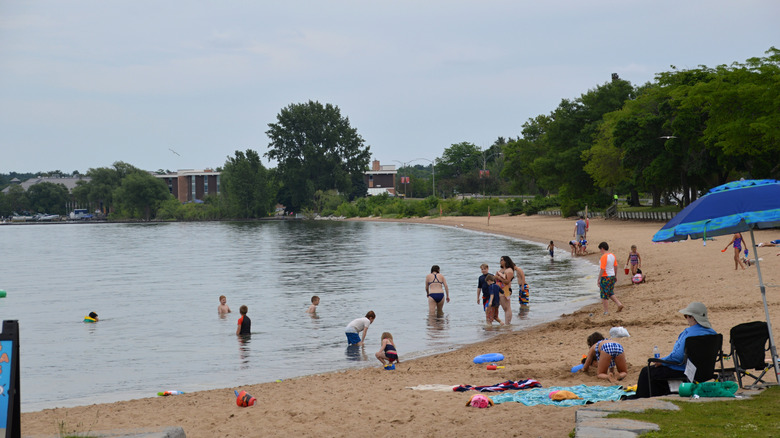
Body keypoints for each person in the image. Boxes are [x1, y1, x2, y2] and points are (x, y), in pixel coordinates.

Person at [631, 302, 717, 398]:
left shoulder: (688, 334)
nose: (686, 319)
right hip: (705, 371)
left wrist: (663, 362)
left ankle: (641, 398)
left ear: (693, 317)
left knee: (646, 371)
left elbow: (677, 357)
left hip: (685, 370)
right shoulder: (714, 334)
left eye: (686, 316)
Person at [598, 242, 623, 315]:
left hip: (605, 277)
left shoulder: (604, 257)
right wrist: (615, 276)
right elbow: (615, 266)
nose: (600, 251)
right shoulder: (612, 255)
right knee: (610, 292)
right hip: (612, 276)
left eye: (600, 249)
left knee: (604, 295)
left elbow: (602, 269)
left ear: (602, 248)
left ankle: (606, 311)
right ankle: (619, 304)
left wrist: (598, 279)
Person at [495, 256, 515, 325]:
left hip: (505, 290)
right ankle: (502, 323)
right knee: (498, 307)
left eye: (502, 260)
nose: (501, 261)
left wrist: (498, 277)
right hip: (498, 290)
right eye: (500, 260)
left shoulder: (509, 270)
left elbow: (507, 281)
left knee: (506, 308)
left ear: (506, 261)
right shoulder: (501, 270)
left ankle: (507, 323)